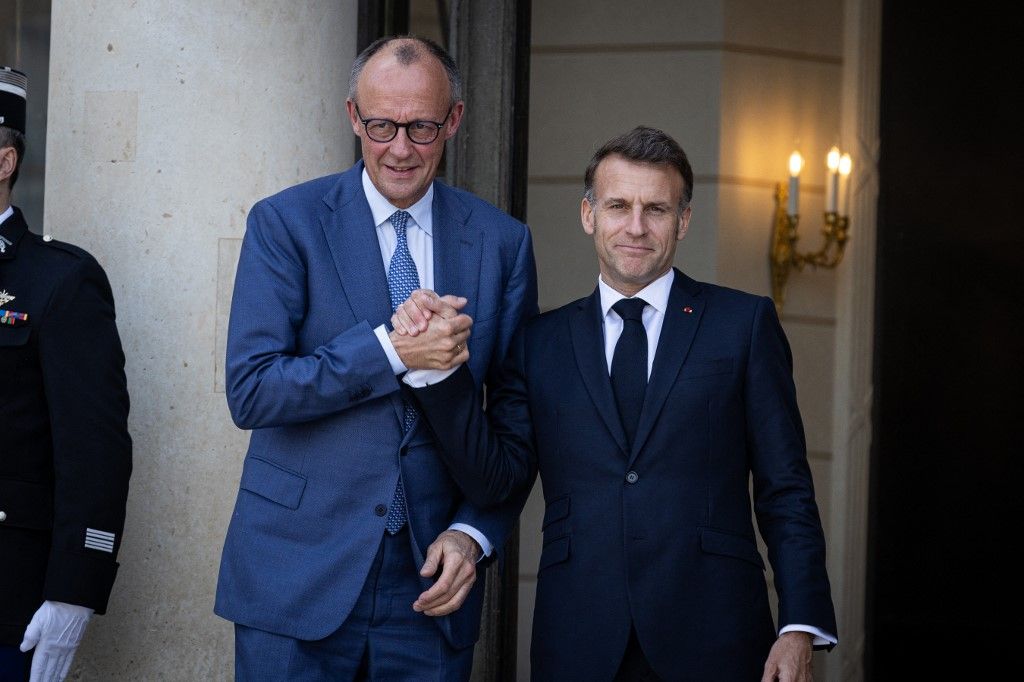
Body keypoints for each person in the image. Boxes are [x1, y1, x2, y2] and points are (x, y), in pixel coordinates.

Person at [399, 126, 837, 681]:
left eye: (656, 209)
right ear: (589, 215)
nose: (636, 226)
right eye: (618, 206)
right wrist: (437, 372)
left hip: (716, 634)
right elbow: (497, 478)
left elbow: (787, 487)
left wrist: (799, 624)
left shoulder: (743, 326)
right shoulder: (539, 343)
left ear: (683, 220)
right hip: (578, 638)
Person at [214, 36, 537, 680]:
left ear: (454, 120)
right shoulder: (287, 221)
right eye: (382, 124)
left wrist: (475, 534)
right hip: (297, 572)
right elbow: (252, 390)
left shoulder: (503, 243)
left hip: (427, 583)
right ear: (353, 117)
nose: (400, 148)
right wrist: (392, 349)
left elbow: (518, 421)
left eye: (421, 127)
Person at [0, 66, 132, 682]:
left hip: (7, 600)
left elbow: (95, 451)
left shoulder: (58, 280)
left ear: (5, 160)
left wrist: (74, 591)